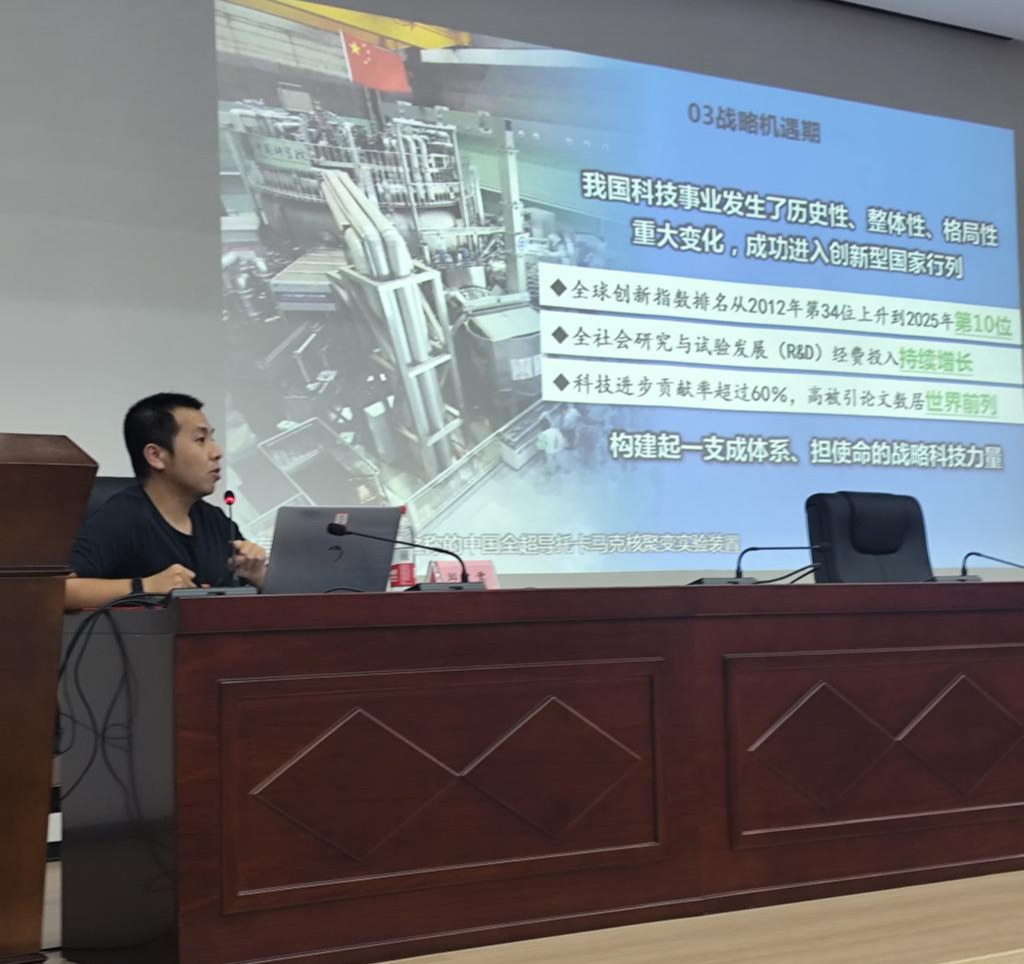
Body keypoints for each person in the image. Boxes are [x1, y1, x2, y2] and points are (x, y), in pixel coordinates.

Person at [65, 393, 267, 610]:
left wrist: (259, 576)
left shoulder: (215, 521)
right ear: (156, 456)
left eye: (212, 439)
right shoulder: (123, 517)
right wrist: (145, 586)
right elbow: (57, 590)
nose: (217, 453)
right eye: (200, 440)